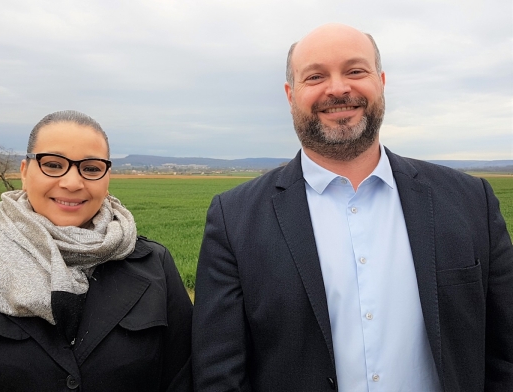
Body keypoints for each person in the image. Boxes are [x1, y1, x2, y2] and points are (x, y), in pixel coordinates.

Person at [192, 23, 513, 391]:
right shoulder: (234, 219)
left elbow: (505, 353)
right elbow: (219, 374)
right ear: (290, 94)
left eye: (355, 71)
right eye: (315, 76)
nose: (338, 88)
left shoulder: (471, 201)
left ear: (381, 81)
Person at [0, 110, 193, 392]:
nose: (72, 182)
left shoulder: (155, 266)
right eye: (54, 165)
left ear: (107, 178)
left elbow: (183, 378)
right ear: (24, 172)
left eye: (91, 168)